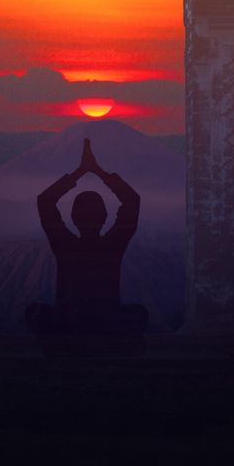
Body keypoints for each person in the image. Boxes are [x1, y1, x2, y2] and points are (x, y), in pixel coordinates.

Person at [25, 138, 148, 337]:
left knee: (35, 312)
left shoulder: (65, 245)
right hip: (108, 324)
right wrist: (98, 171)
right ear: (105, 216)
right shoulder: (112, 247)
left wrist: (81, 171)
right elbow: (132, 201)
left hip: (69, 325)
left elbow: (45, 201)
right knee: (138, 313)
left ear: (73, 217)